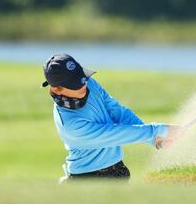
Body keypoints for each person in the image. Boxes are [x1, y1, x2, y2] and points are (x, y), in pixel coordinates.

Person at [42, 54, 178, 181]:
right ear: (56, 90)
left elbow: (117, 112)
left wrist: (154, 139)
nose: (83, 84)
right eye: (75, 84)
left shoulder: (89, 84)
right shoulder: (70, 124)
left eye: (81, 78)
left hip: (118, 169)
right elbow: (116, 133)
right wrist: (159, 130)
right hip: (88, 179)